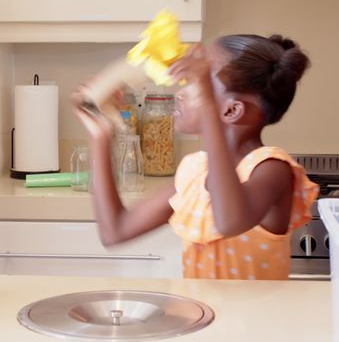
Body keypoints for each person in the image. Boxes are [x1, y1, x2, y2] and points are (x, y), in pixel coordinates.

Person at [74, 35, 318, 280]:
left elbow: (229, 222)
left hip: (255, 319)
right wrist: (101, 135)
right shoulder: (194, 169)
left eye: (196, 83)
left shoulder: (272, 169)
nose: (180, 92)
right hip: (206, 317)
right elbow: (115, 231)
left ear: (231, 110)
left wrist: (206, 103)